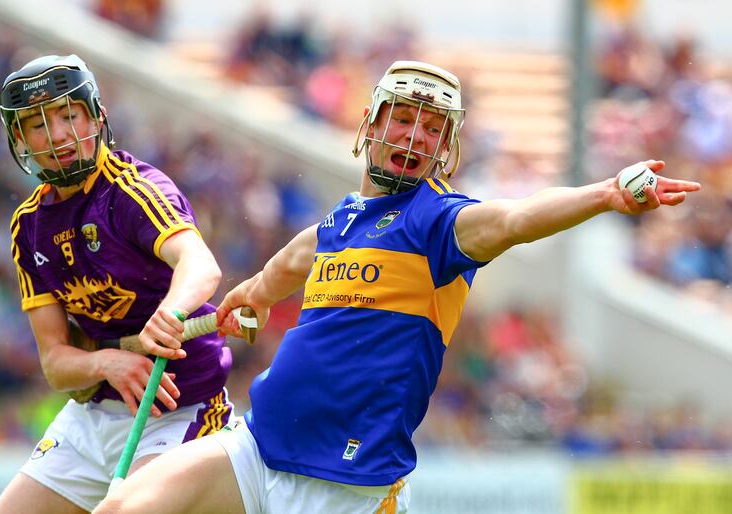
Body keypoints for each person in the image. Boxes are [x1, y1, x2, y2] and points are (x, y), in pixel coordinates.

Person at [95, 60, 701, 514]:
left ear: (446, 147)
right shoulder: (340, 222)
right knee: (121, 509)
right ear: (371, 124)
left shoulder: (441, 224)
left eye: (432, 129)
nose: (414, 137)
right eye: (403, 119)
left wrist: (606, 195)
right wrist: (250, 295)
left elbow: (517, 218)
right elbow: (292, 260)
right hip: (259, 446)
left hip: (349, 486)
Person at [0, 54, 235, 514]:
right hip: (93, 415)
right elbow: (55, 363)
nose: (59, 134)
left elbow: (200, 265)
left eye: (68, 115)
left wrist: (171, 312)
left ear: (96, 117)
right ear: (19, 139)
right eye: (38, 124)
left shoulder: (132, 190)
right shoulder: (27, 226)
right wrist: (108, 364)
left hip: (179, 408)